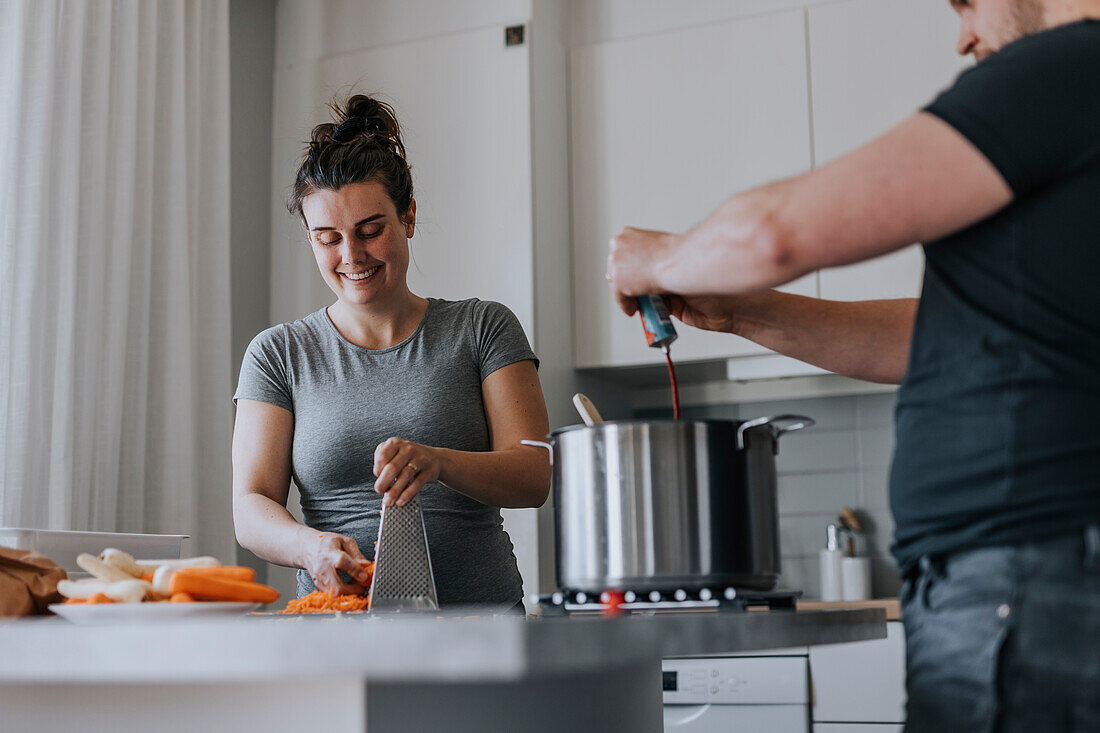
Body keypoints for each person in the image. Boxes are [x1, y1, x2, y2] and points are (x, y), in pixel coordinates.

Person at [607, 0, 1100, 729]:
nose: (963, 35)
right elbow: (928, 338)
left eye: (967, 2)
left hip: (1022, 580)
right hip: (1025, 582)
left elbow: (775, 232)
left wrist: (662, 257)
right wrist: (743, 312)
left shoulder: (1067, 65)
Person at [232, 94, 550, 609]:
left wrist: (440, 462)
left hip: (480, 630)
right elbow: (251, 507)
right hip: (338, 631)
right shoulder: (278, 354)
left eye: (370, 231)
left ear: (408, 216)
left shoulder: (483, 327)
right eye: (327, 238)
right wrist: (310, 549)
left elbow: (533, 476)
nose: (351, 256)